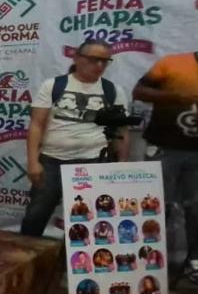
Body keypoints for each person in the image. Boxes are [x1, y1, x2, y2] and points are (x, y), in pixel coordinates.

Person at [132, 30, 198, 277]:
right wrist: (173, 97)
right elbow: (139, 92)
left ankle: (197, 263)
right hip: (164, 148)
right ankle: (149, 260)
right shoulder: (173, 63)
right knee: (155, 206)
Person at [20, 40, 128, 236]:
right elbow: (36, 125)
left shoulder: (113, 91)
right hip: (52, 161)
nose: (99, 65)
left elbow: (121, 129)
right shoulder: (53, 86)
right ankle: (27, 252)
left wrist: (121, 164)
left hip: (94, 163)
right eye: (94, 59)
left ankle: (75, 255)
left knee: (87, 218)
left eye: (105, 61)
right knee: (36, 214)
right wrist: (33, 162)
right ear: (77, 58)